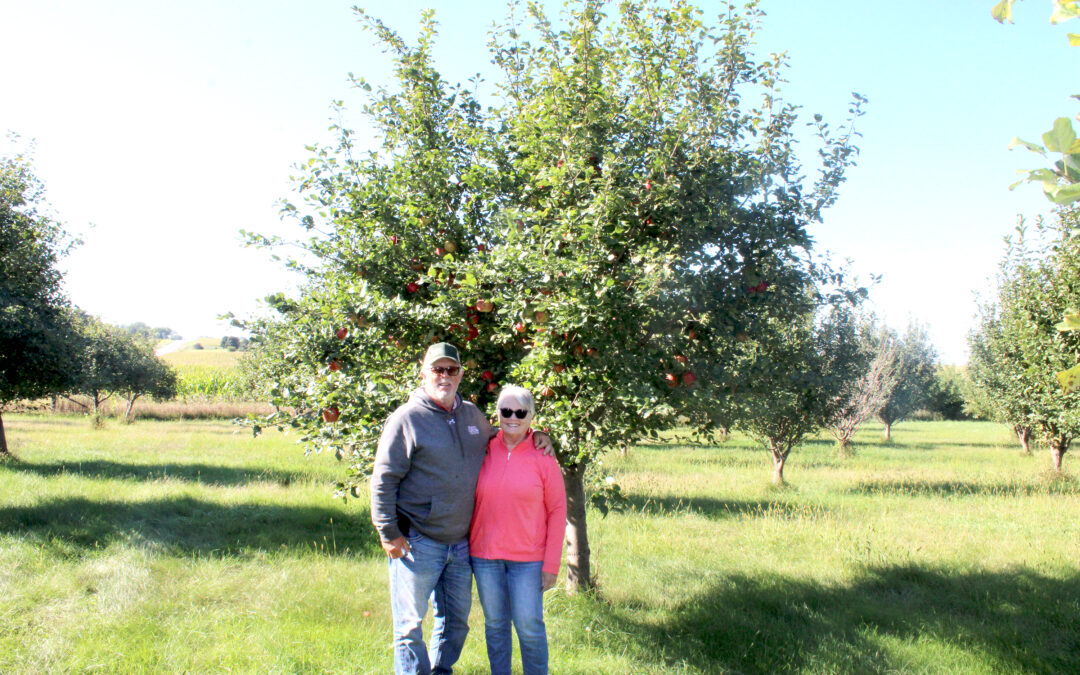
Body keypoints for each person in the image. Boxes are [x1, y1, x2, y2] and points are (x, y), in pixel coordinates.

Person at [369, 343, 552, 675]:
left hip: (461, 543)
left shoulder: (470, 415)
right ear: (423, 373)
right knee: (410, 626)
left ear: (461, 375)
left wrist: (534, 433)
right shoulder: (406, 419)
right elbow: (384, 479)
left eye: (451, 370)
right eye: (437, 369)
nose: (444, 376)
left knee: (455, 624)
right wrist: (388, 531)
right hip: (418, 541)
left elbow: (502, 433)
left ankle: (440, 671)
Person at [469, 385, 567, 675]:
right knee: (496, 626)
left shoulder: (543, 456)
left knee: (529, 626)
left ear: (531, 416)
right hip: (485, 557)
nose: (512, 417)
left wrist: (551, 563)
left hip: (528, 560)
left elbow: (558, 510)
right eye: (506, 411)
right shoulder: (482, 447)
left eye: (520, 412)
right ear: (496, 413)